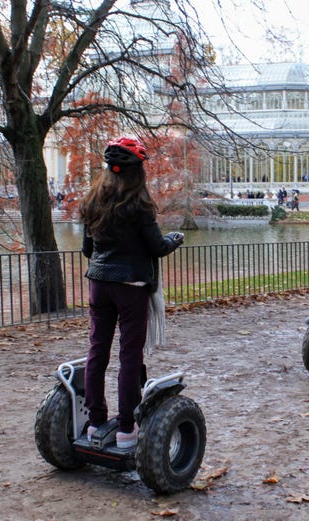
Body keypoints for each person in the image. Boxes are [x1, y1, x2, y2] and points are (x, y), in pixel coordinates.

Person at [79, 137, 183, 448]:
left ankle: (95, 423)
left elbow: (88, 249)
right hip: (130, 288)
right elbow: (157, 247)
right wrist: (175, 239)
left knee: (97, 352)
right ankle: (126, 430)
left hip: (99, 284)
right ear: (137, 172)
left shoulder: (91, 201)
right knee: (129, 356)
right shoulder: (140, 205)